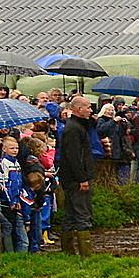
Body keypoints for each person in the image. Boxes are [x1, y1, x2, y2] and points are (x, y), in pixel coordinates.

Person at [57, 95, 95, 257]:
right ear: (79, 109)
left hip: (71, 178)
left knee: (71, 215)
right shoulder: (73, 129)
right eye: (88, 107)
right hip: (75, 179)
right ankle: (85, 254)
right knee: (82, 214)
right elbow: (73, 156)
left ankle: (68, 252)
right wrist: (82, 179)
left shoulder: (77, 126)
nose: (91, 110)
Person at [0, 136, 27, 252]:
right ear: (4, 149)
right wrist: (11, 201)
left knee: (17, 226)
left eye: (16, 148)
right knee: (9, 227)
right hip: (8, 201)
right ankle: (9, 252)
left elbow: (18, 183)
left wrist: (19, 198)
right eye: (12, 148)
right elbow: (5, 184)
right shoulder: (4, 163)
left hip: (17, 199)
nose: (15, 150)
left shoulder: (17, 163)